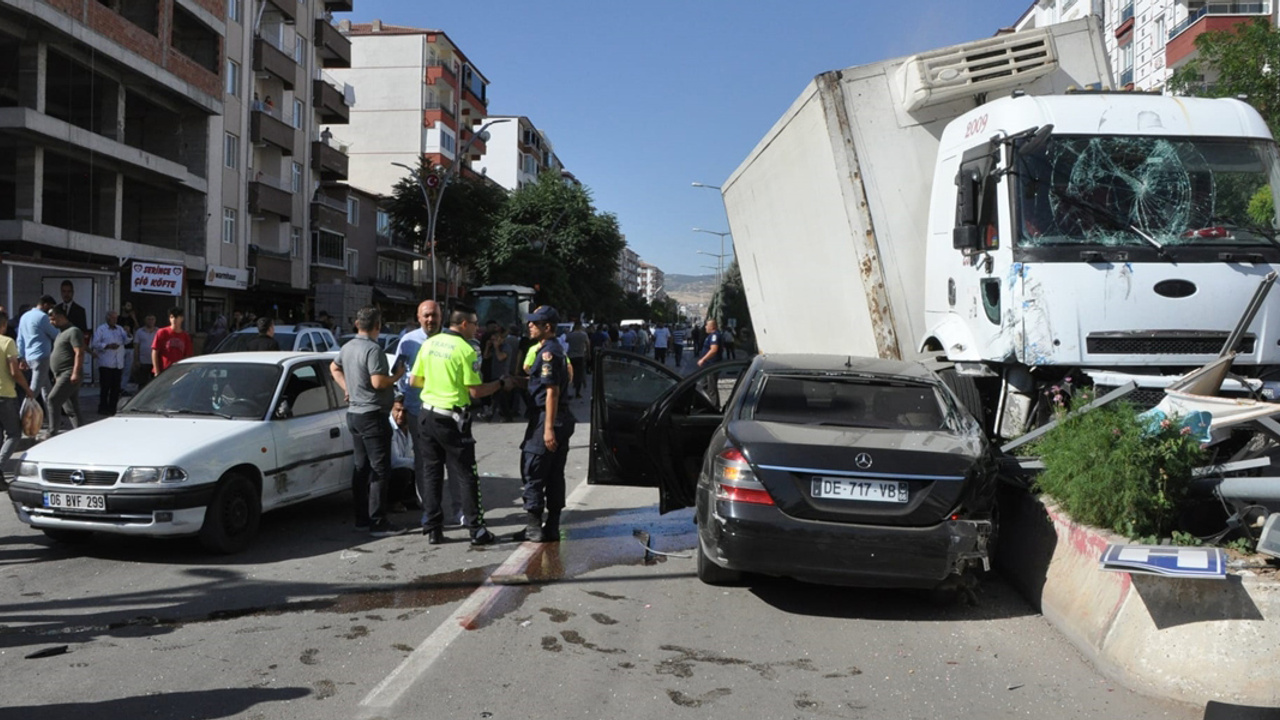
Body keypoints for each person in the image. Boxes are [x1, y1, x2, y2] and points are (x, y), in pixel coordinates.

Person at [408, 304, 510, 545]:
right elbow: (475, 391)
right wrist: (500, 384)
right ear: (464, 324)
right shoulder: (466, 350)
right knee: (466, 474)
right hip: (451, 418)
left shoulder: (430, 343)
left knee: (432, 472)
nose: (478, 329)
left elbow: (414, 380)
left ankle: (433, 528)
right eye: (475, 324)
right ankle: (477, 530)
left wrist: (438, 384)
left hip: (426, 414)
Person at [329, 306, 407, 538]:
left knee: (361, 467)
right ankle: (378, 522)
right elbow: (378, 382)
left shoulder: (347, 347)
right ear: (377, 326)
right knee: (380, 469)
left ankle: (362, 519)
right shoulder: (374, 350)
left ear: (357, 324)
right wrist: (397, 376)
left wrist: (348, 389)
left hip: (354, 414)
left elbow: (334, 368)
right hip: (373, 414)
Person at [394, 300, 465, 526]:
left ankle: (459, 510)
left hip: (449, 412)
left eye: (434, 315)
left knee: (454, 463)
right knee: (425, 463)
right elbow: (398, 375)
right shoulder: (407, 341)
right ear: (418, 317)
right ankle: (431, 511)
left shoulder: (453, 341)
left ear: (441, 317)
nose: (430, 320)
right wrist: (399, 404)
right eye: (426, 316)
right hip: (418, 411)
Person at [512, 306, 575, 543]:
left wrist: (547, 428)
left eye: (534, 323)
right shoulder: (550, 350)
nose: (529, 326)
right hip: (558, 417)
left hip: (548, 418)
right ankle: (552, 526)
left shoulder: (549, 353)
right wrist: (518, 382)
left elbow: (552, 392)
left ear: (546, 327)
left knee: (534, 471)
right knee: (554, 474)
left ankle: (534, 527)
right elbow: (541, 383)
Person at [0, 311, 36, 479]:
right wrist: (27, 388)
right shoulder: (7, 342)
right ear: (4, 325)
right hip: (5, 394)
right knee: (14, 434)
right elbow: (14, 372)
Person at [17, 295, 58, 427]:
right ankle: (20, 420)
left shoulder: (25, 316)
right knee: (33, 391)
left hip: (29, 356)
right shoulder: (42, 317)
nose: (50, 311)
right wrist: (55, 324)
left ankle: (53, 421)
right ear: (45, 305)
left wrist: (21, 357)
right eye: (50, 308)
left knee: (47, 391)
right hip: (41, 357)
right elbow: (55, 334)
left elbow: (20, 339)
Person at [46, 305, 84, 436]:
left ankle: (52, 432)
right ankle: (81, 433)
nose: (51, 322)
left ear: (61, 317)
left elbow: (79, 353)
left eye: (53, 319)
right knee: (70, 407)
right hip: (61, 374)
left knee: (52, 400)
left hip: (69, 373)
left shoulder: (73, 331)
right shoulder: (60, 333)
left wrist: (75, 372)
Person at [90, 310, 130, 417]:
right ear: (108, 318)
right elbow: (95, 343)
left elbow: (127, 341)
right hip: (106, 363)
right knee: (105, 387)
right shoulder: (101, 329)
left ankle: (113, 408)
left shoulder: (120, 329)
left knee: (115, 388)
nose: (114, 320)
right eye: (113, 318)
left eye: (116, 318)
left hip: (118, 363)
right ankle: (103, 407)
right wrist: (107, 346)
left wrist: (128, 333)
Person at [388, 394, 419, 512]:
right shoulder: (390, 428)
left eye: (404, 411)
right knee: (404, 472)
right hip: (389, 472)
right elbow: (394, 461)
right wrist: (418, 464)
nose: (400, 415)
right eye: (397, 410)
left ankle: (410, 499)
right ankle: (392, 502)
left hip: (403, 466)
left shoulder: (410, 427)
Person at [151, 307, 193, 376]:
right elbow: (155, 351)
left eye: (177, 317)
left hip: (178, 371)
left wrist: (185, 371)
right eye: (172, 317)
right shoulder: (162, 332)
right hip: (163, 371)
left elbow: (188, 355)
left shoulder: (185, 336)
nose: (174, 320)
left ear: (182, 318)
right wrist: (156, 370)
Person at [565, 321, 590, 398]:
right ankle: (577, 392)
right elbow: (588, 344)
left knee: (569, 374)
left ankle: (567, 391)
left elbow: (566, 340)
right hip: (580, 356)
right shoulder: (583, 335)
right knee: (579, 374)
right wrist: (588, 354)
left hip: (571, 356)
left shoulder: (570, 335)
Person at [133, 313, 158, 388]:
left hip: (155, 362)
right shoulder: (139, 332)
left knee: (155, 383)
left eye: (152, 319)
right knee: (143, 383)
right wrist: (136, 360)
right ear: (145, 320)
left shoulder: (159, 331)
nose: (150, 321)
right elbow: (136, 346)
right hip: (143, 361)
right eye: (149, 319)